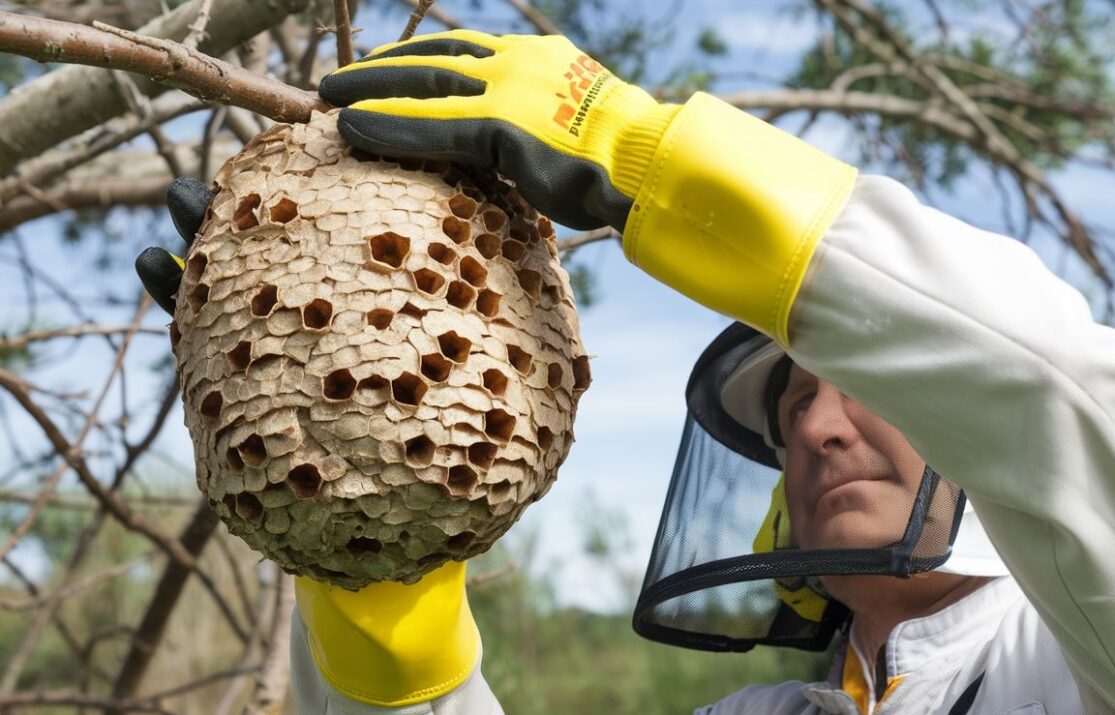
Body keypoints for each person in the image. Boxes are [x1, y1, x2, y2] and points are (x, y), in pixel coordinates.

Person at [136, 30, 1115, 715]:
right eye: (794, 407)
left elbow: (1061, 398)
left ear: (956, 418)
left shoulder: (1066, 666)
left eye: (864, 391)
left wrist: (647, 160)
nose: (817, 430)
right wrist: (376, 583)